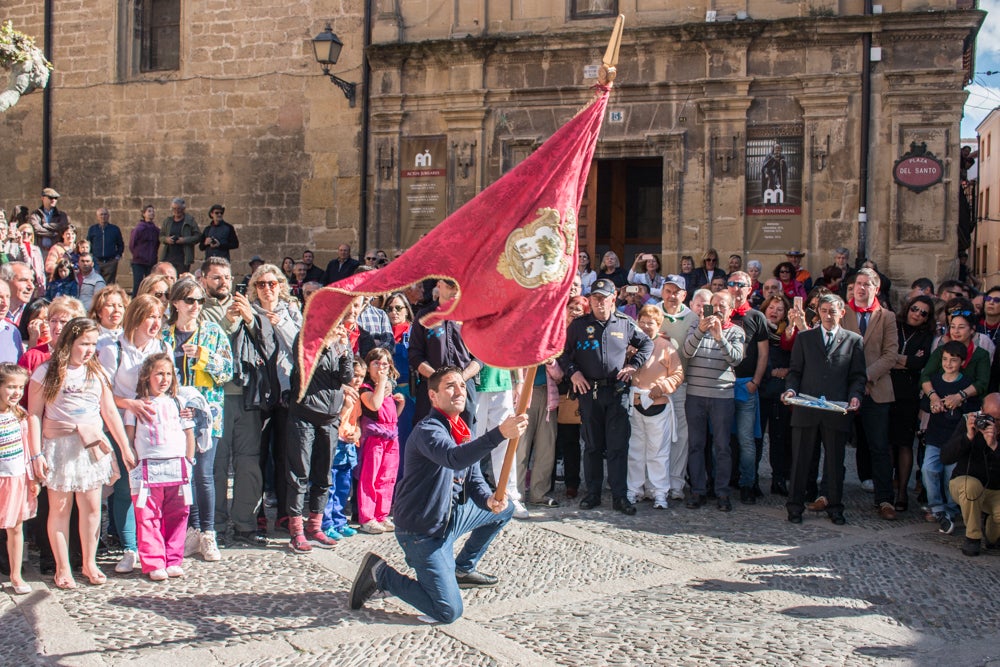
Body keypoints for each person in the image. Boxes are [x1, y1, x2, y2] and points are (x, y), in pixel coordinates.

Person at [347, 365, 529, 623]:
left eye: (462, 386)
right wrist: (500, 433)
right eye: (450, 386)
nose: (459, 391)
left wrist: (488, 499)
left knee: (505, 507)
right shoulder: (428, 430)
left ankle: (462, 569)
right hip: (422, 532)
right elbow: (452, 458)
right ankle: (381, 574)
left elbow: (473, 477)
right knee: (448, 612)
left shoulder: (464, 429)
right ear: (433, 396)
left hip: (450, 518)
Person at [27, 317, 134, 588]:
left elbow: (109, 412)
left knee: (91, 508)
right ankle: (62, 567)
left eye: (93, 344)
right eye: (84, 343)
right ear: (69, 342)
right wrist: (36, 453)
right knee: (60, 508)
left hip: (90, 447)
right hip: (60, 446)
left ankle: (89, 562)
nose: (89, 350)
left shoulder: (96, 373)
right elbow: (35, 414)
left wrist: (124, 447)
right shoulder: (46, 372)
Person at [562, 278, 653, 514]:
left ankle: (620, 497)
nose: (599, 303)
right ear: (590, 300)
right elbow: (562, 353)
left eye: (604, 298)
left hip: (616, 392)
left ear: (614, 299)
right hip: (588, 392)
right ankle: (593, 493)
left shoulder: (625, 323)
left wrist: (634, 365)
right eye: (595, 298)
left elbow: (647, 344)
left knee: (617, 446)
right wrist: (573, 373)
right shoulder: (579, 325)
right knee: (592, 446)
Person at [162, 278, 233, 562]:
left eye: (199, 301)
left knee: (204, 474)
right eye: (189, 301)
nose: (195, 306)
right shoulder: (165, 337)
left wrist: (204, 357)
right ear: (176, 303)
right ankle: (190, 531)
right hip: (174, 416)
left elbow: (228, 371)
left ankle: (208, 532)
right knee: (184, 476)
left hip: (207, 415)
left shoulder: (213, 332)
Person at [98, 294, 170, 574]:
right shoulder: (114, 348)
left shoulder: (162, 346)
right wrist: (129, 403)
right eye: (150, 316)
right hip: (121, 424)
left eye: (159, 317)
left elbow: (168, 383)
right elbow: (104, 393)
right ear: (136, 317)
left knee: (154, 489)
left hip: (153, 428)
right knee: (127, 489)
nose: (155, 322)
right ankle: (129, 547)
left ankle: (149, 544)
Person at [782, 293, 866, 525]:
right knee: (800, 460)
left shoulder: (853, 340)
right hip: (806, 408)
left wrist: (855, 397)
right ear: (818, 312)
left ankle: (835, 506)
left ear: (842, 312)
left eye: (832, 311)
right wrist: (790, 391)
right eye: (824, 311)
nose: (828, 316)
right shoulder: (805, 338)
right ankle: (795, 506)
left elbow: (858, 376)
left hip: (836, 409)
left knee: (835, 462)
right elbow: (795, 371)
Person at [124, 353, 196, 581]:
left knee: (178, 513)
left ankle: (174, 558)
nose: (164, 379)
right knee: (148, 514)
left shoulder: (179, 402)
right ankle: (153, 560)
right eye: (159, 374)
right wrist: (132, 462)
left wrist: (189, 459)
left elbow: (188, 433)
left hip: (177, 465)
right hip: (147, 467)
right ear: (147, 376)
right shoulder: (135, 406)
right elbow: (130, 436)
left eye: (168, 374)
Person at [286, 325, 354, 552]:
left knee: (324, 475)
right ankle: (296, 530)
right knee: (300, 473)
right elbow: (304, 365)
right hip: (304, 414)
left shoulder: (341, 344)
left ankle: (315, 526)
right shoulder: (305, 336)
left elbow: (346, 377)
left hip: (329, 418)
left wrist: (344, 350)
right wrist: (325, 342)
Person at [843, 268, 899, 520]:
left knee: (878, 446)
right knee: (834, 444)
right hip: (844, 388)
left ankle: (885, 499)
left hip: (876, 389)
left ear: (876, 288)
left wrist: (865, 377)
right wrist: (854, 380)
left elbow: (890, 355)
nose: (861, 288)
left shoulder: (886, 317)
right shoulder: (842, 311)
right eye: (858, 283)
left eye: (867, 284)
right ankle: (828, 494)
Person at [682, 291, 745, 511]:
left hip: (722, 396)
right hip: (696, 395)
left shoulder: (736, 331)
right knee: (696, 445)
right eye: (714, 304)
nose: (717, 309)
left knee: (722, 447)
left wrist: (719, 337)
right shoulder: (696, 327)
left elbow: (735, 359)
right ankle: (698, 490)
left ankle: (722, 493)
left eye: (722, 306)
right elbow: (687, 352)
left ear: (731, 309)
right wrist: (701, 330)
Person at [627, 305, 683, 508]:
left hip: (658, 403)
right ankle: (634, 489)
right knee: (635, 450)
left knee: (658, 452)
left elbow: (677, 374)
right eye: (642, 322)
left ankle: (659, 492)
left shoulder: (667, 347)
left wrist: (663, 387)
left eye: (650, 323)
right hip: (635, 404)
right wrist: (627, 355)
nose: (645, 326)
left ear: (658, 325)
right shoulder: (631, 345)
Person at [920, 340, 978, 536]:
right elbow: (924, 404)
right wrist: (933, 404)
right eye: (945, 359)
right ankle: (936, 507)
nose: (948, 364)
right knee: (929, 469)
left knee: (950, 475)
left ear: (962, 361)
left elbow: (972, 410)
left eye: (953, 360)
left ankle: (951, 510)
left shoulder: (966, 384)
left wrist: (959, 404)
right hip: (935, 436)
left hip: (955, 439)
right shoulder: (935, 381)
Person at [888, 295, 935, 513]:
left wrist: (897, 359)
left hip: (908, 395)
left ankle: (902, 492)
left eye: (923, 312)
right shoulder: (894, 326)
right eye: (915, 308)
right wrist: (904, 360)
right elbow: (885, 355)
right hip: (887, 390)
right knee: (886, 442)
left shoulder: (927, 335)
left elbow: (920, 363)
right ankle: (887, 489)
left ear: (928, 318)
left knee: (905, 443)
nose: (917, 314)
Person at [727, 271, 769, 503]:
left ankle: (747, 483)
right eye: (731, 284)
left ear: (749, 289)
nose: (735, 288)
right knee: (720, 439)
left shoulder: (756, 317)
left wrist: (756, 382)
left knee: (745, 439)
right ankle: (720, 482)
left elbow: (763, 353)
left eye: (740, 285)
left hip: (746, 385)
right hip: (721, 385)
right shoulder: (719, 313)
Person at [941, 393, 1000, 556]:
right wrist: (968, 437)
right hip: (965, 482)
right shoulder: (969, 421)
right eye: (990, 418)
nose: (993, 424)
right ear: (981, 412)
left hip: (996, 491)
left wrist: (995, 446)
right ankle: (972, 537)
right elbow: (945, 457)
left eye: (998, 420)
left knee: (994, 538)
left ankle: (992, 532)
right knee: (971, 486)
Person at [356, 347, 405, 534]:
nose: (381, 367)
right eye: (376, 363)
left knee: (387, 477)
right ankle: (367, 517)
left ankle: (381, 514)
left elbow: (391, 416)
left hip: (391, 437)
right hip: (375, 438)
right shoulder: (366, 388)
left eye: (385, 364)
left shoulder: (387, 389)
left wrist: (400, 404)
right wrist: (382, 382)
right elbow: (374, 405)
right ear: (369, 367)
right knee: (370, 477)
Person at [658, 275, 696, 500]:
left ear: (684, 295)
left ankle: (676, 483)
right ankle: (655, 482)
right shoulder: (652, 312)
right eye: (668, 291)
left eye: (676, 292)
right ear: (662, 292)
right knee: (656, 434)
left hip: (681, 383)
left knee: (681, 435)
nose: (672, 296)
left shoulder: (692, 317)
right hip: (654, 383)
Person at [0, 363, 36, 594]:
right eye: (11, 387)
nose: (16, 392)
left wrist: (32, 480)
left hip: (16, 478)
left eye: (20, 388)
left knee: (15, 527)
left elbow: (27, 451)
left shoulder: (21, 416)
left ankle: (16, 575)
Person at [323, 357, 365, 541]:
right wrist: (345, 406)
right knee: (329, 486)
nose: (357, 380)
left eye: (361, 376)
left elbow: (357, 421)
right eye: (354, 375)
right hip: (334, 444)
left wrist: (357, 433)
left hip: (349, 446)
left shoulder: (358, 397)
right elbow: (331, 421)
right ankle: (326, 522)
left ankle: (340, 521)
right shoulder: (338, 394)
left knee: (344, 487)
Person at [160, 198, 200, 275]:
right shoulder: (168, 221)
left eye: (179, 209)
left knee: (181, 280)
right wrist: (166, 239)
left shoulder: (190, 220)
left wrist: (184, 240)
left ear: (183, 209)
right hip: (169, 256)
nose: (176, 211)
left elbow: (198, 236)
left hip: (183, 257)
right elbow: (161, 236)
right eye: (174, 208)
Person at [87, 208, 124, 285]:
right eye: (101, 214)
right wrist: (91, 256)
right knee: (96, 283)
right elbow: (88, 243)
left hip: (110, 262)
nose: (103, 216)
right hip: (96, 261)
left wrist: (117, 256)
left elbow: (120, 244)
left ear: (108, 216)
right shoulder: (92, 229)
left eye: (105, 214)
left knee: (109, 285)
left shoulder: (115, 229)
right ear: (97, 217)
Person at [129, 205, 160, 295]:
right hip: (139, 261)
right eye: (149, 211)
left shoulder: (156, 230)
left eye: (153, 211)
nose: (151, 213)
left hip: (151, 262)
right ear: (144, 214)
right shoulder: (139, 228)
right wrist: (138, 254)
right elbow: (132, 244)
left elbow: (157, 244)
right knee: (138, 284)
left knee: (150, 285)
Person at [30, 188, 70, 252]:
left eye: (55, 198)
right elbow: (37, 230)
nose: (53, 200)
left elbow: (63, 227)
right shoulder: (35, 214)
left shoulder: (62, 215)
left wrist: (46, 225)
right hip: (40, 250)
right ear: (43, 198)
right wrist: (53, 233)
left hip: (56, 250)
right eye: (50, 198)